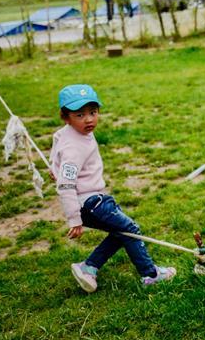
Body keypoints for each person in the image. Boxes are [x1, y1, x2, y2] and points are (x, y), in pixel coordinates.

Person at [51, 84, 176, 292]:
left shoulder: (69, 134)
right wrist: (74, 219)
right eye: (80, 115)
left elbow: (57, 148)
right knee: (130, 230)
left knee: (121, 232)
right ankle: (151, 275)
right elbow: (66, 183)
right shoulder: (74, 147)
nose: (89, 119)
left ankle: (89, 267)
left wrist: (54, 167)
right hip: (92, 203)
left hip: (90, 202)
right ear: (66, 117)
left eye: (93, 112)